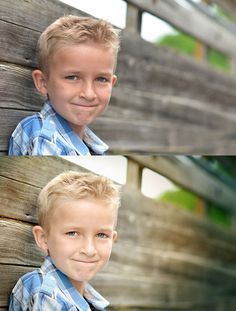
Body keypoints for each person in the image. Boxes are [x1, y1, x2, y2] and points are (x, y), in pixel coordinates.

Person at [8, 15, 120, 155]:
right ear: (43, 82)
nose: (89, 94)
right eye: (72, 77)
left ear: (112, 83)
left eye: (101, 79)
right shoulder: (46, 139)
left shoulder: (93, 146)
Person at [9, 171, 120, 310]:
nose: (89, 250)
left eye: (102, 235)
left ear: (112, 239)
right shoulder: (47, 294)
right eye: (72, 233)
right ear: (43, 238)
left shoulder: (91, 300)